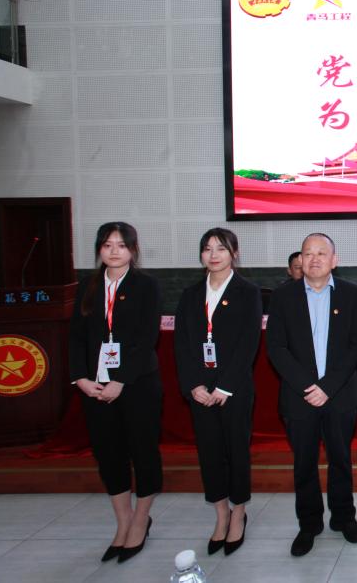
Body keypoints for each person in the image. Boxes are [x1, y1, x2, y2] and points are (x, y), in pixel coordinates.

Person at [266, 233, 357, 556]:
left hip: (339, 395)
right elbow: (276, 347)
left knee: (341, 459)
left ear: (334, 260)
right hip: (299, 397)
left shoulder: (351, 294)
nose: (314, 259)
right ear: (300, 260)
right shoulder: (283, 296)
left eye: (321, 253)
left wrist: (328, 387)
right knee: (304, 463)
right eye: (308, 253)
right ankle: (309, 524)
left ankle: (343, 517)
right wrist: (308, 386)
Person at [68, 222, 162, 564]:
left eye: (121, 245)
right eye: (107, 245)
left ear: (133, 250)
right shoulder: (88, 286)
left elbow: (146, 338)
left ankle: (141, 520)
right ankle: (123, 522)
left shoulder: (146, 286)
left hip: (137, 385)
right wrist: (80, 377)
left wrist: (120, 380)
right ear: (99, 249)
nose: (114, 251)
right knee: (109, 454)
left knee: (143, 451)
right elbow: (76, 336)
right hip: (94, 386)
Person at [174, 228, 262, 557]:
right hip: (200, 389)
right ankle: (221, 513)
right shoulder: (190, 294)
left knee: (236, 451)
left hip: (234, 388)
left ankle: (238, 513)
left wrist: (225, 386)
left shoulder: (247, 292)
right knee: (209, 453)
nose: (213, 255)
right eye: (207, 249)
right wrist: (194, 385)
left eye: (221, 249)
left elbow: (248, 343)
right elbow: (182, 344)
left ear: (234, 254)